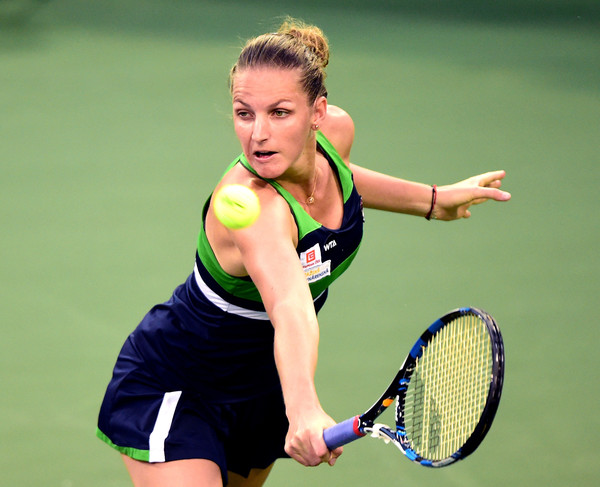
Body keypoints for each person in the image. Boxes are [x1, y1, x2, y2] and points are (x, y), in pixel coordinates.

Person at [96, 18, 511, 487]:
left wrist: (432, 200)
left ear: (318, 112)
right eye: (243, 113)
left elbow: (338, 177)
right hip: (180, 384)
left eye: (279, 113)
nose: (258, 134)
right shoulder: (256, 210)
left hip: (259, 391)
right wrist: (304, 406)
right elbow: (290, 304)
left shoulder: (336, 133)